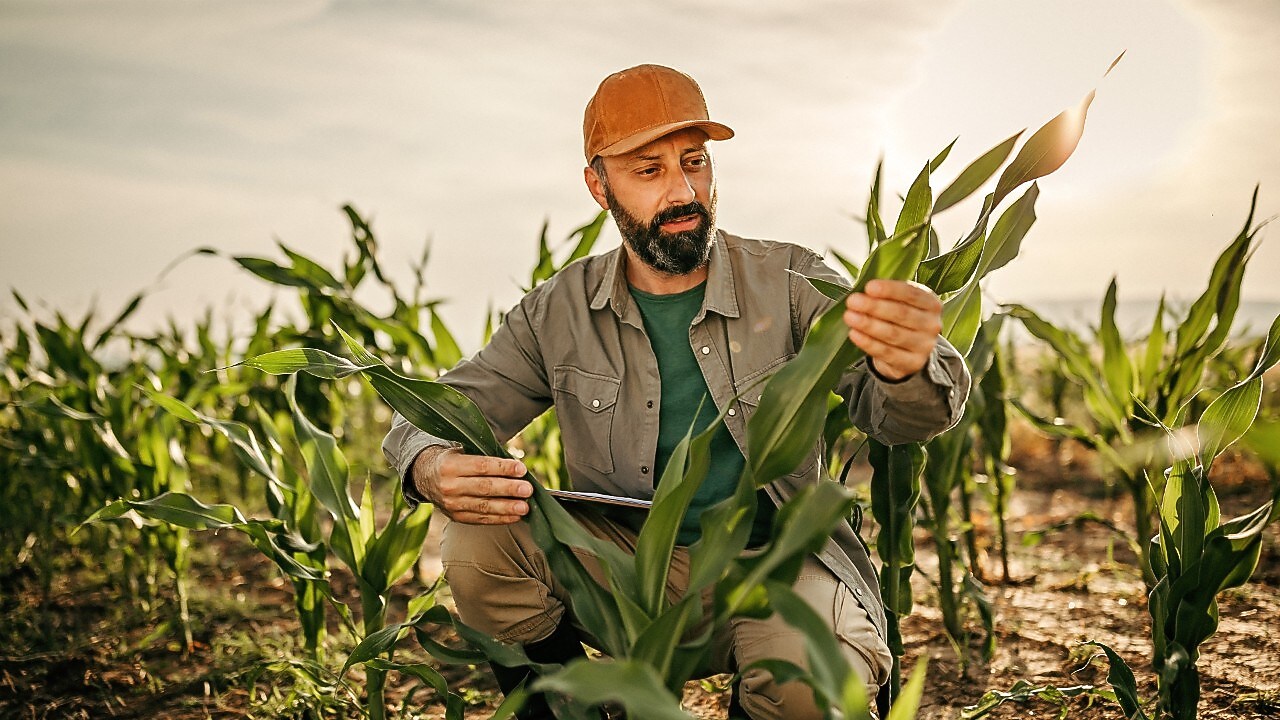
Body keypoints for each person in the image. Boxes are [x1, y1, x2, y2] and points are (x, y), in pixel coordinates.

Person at [383, 64, 970, 720]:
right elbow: (439, 411)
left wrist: (907, 365)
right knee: (478, 541)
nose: (683, 189)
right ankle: (575, 706)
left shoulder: (790, 279)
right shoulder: (557, 312)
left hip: (777, 565)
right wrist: (429, 464)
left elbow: (901, 419)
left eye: (695, 162)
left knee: (812, 686)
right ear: (598, 186)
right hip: (634, 569)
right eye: (648, 170)